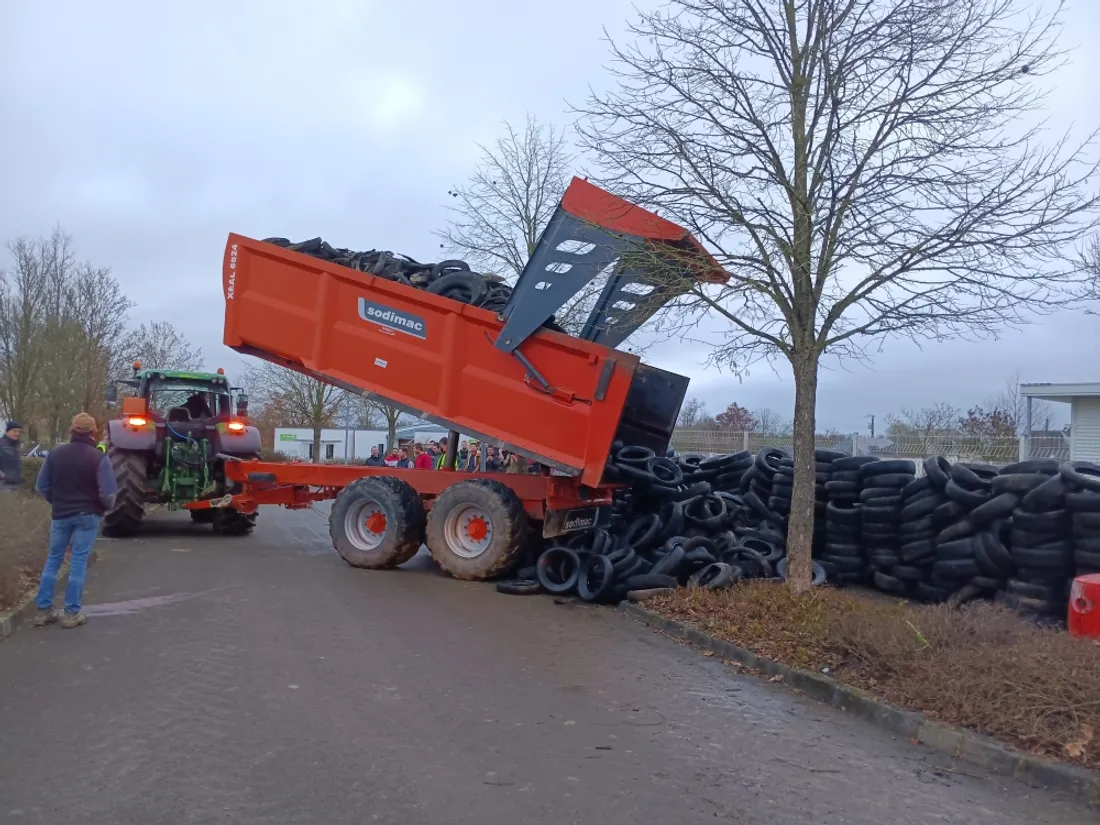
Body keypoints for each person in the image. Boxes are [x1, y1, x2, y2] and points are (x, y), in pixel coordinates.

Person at [33, 413, 118, 629]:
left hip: (60, 515)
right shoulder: (99, 459)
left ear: (71, 431)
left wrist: (57, 501)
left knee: (53, 559)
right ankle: (71, 613)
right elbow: (108, 494)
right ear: (93, 432)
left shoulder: (55, 455)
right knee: (78, 560)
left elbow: (41, 486)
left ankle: (44, 611)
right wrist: (102, 509)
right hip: (88, 516)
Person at [0, 420, 22, 491]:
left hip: (16, 486)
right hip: (3, 486)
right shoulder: (1, 445)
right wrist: (3, 476)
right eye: (15, 431)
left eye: (19, 431)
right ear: (8, 431)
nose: (17, 433)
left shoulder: (15, 446)